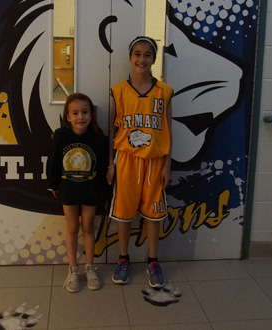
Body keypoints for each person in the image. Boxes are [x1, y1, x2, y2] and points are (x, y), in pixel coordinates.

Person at [107, 36, 172, 288]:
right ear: (130, 58)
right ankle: (124, 258)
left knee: (154, 216)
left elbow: (168, 130)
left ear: (154, 59)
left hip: (155, 161)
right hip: (125, 160)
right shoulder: (119, 90)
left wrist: (168, 163)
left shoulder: (164, 92)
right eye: (137, 54)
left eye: (147, 54)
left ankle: (153, 261)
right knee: (123, 215)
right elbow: (111, 130)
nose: (141, 59)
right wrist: (110, 164)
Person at [47, 93, 109, 293]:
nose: (80, 117)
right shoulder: (61, 137)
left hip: (90, 190)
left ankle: (89, 268)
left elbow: (101, 165)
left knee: (88, 226)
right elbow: (53, 162)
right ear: (68, 116)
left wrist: (102, 188)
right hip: (68, 190)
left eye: (85, 112)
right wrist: (54, 184)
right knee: (73, 228)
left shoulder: (98, 138)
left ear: (91, 115)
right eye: (75, 113)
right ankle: (73, 270)